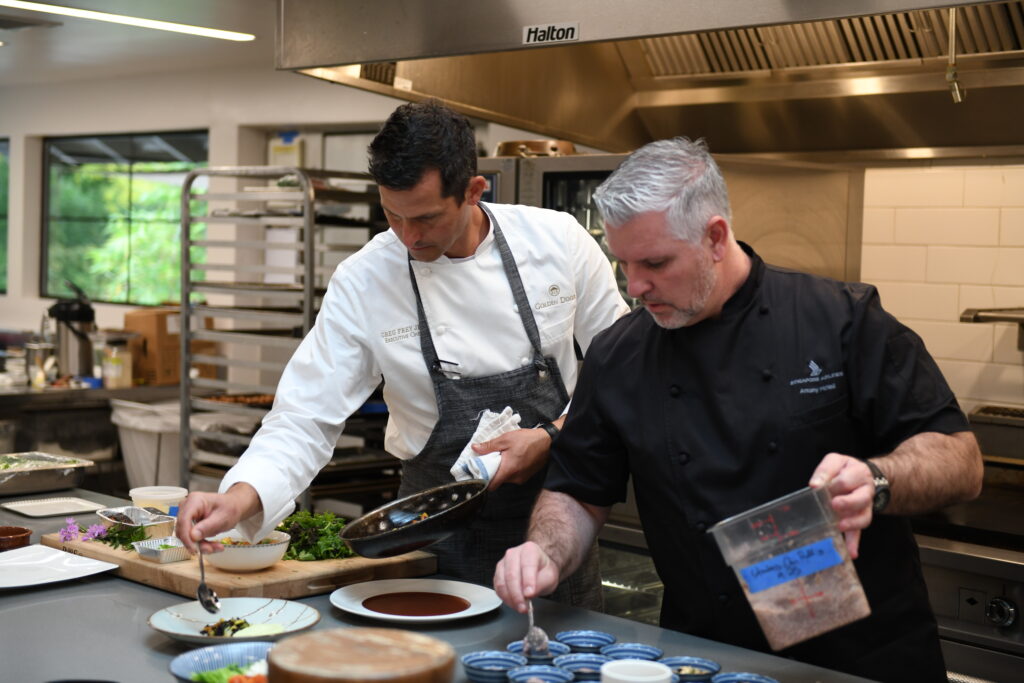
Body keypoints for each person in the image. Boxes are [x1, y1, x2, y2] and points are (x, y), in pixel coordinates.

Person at [493, 137, 983, 682]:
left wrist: (878, 479)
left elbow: (960, 461)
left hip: (860, 659)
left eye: (655, 262)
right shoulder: (618, 354)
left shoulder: (841, 321)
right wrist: (545, 551)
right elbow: (579, 492)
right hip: (705, 658)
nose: (635, 287)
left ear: (716, 237)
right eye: (623, 263)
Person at [175, 100, 628, 608]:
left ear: (474, 191)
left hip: (554, 524)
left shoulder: (558, 242)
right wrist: (239, 496)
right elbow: (305, 417)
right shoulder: (365, 279)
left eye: (428, 218)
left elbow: (623, 378)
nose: (409, 237)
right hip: (430, 536)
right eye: (393, 215)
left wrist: (550, 438)